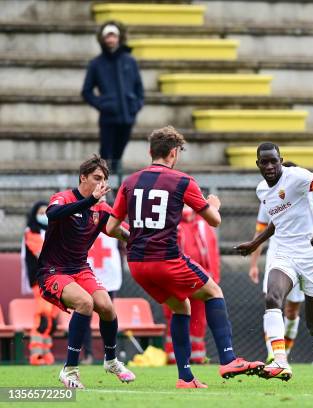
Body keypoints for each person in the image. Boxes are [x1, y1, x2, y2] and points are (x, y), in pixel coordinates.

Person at [106, 126, 263, 389]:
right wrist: (214, 203)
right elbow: (214, 221)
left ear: (150, 152)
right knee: (213, 291)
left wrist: (131, 238)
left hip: (136, 265)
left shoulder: (129, 182)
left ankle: (186, 377)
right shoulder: (181, 181)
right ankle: (228, 359)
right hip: (166, 259)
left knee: (182, 307)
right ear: (174, 153)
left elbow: (111, 228)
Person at [235, 142, 313, 380]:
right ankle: (280, 361)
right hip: (285, 253)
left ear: (281, 160)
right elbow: (278, 219)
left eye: (274, 161)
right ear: (257, 164)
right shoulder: (262, 191)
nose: (269, 166)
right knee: (272, 297)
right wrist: (255, 243)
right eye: (264, 162)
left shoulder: (297, 177)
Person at [37, 155, 134, 388]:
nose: (101, 184)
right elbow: (52, 215)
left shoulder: (100, 208)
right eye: (96, 178)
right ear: (83, 177)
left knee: (107, 307)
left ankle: (111, 360)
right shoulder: (64, 198)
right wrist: (90, 200)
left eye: (104, 180)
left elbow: (118, 230)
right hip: (53, 270)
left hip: (80, 268)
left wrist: (140, 239)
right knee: (84, 303)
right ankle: (69, 370)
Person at [248, 161, 306, 363]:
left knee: (292, 310)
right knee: (273, 302)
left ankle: (285, 354)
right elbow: (261, 231)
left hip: (301, 256)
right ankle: (273, 355)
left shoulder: (302, 195)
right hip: (277, 254)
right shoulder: (269, 195)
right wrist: (254, 263)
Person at [81, 21, 144, 175]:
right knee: (105, 155)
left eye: (113, 36)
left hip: (127, 117)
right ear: (102, 39)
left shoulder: (130, 61)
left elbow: (139, 89)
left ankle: (117, 186)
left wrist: (135, 106)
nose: (110, 39)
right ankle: (103, 187)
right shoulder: (96, 64)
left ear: (119, 37)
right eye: (107, 36)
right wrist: (102, 104)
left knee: (118, 155)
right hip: (108, 118)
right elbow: (86, 91)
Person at [163, 206, 221, 365]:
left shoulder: (202, 224)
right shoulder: (170, 223)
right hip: (175, 278)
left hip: (200, 277)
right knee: (176, 314)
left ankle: (197, 355)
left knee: (198, 319)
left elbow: (212, 252)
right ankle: (175, 355)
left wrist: (213, 277)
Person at [83, 202, 125, 364]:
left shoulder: (114, 221)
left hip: (109, 274)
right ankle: (87, 354)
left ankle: (110, 355)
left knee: (108, 314)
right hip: (87, 273)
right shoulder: (82, 218)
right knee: (84, 313)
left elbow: (121, 245)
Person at [21, 201, 60, 365]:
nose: (44, 216)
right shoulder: (31, 232)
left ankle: (45, 352)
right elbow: (40, 253)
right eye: (41, 212)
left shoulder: (52, 231)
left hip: (55, 279)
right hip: (40, 279)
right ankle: (35, 354)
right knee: (42, 314)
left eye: (47, 212)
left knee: (52, 317)